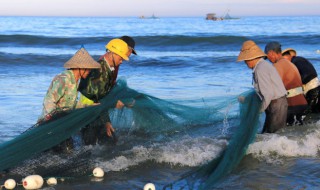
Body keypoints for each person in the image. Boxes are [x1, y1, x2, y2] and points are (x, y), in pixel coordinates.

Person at [38, 47, 101, 152]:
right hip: (51, 125)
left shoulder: (76, 81)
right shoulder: (63, 79)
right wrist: (51, 118)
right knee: (63, 151)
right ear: (80, 67)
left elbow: (71, 105)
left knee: (68, 150)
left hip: (63, 124)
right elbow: (49, 101)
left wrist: (88, 106)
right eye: (88, 68)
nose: (89, 71)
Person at [78, 38, 133, 145]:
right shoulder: (100, 71)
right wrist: (113, 105)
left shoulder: (107, 69)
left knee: (103, 144)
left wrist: (107, 122)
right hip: (89, 113)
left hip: (95, 111)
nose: (121, 62)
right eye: (121, 58)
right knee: (91, 147)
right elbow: (97, 99)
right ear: (112, 54)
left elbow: (102, 97)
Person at [237, 40, 288, 133]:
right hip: (276, 103)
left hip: (276, 104)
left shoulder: (260, 69)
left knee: (273, 135)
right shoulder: (262, 66)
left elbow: (268, 94)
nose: (245, 63)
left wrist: (258, 111)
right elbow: (263, 91)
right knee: (269, 134)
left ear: (251, 59)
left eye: (245, 60)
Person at [265, 42, 308, 125]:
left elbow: (272, 87)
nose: (269, 60)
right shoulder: (290, 63)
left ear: (271, 53)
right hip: (302, 103)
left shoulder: (277, 65)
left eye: (267, 56)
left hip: (292, 105)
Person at [282, 48, 320, 113]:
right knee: (315, 110)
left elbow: (306, 76)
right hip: (316, 85)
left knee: (307, 112)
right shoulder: (300, 59)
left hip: (311, 88)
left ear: (288, 56)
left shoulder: (295, 62)